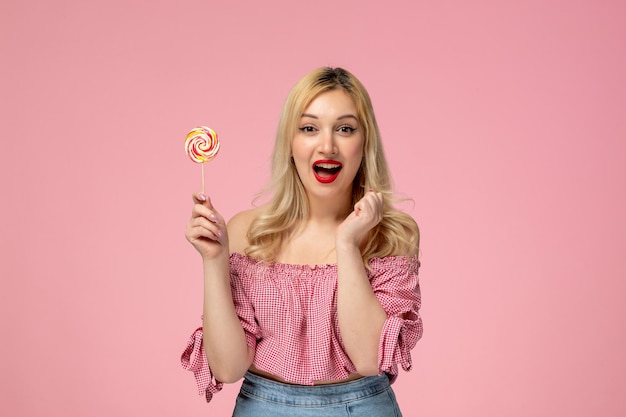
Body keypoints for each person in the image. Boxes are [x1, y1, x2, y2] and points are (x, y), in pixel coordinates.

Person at [181, 67, 422, 416]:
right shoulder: (246, 233)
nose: (327, 145)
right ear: (290, 144)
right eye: (309, 128)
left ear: (364, 142)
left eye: (345, 129)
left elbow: (371, 359)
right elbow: (228, 369)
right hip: (262, 407)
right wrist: (214, 261)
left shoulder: (392, 235)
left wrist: (348, 244)